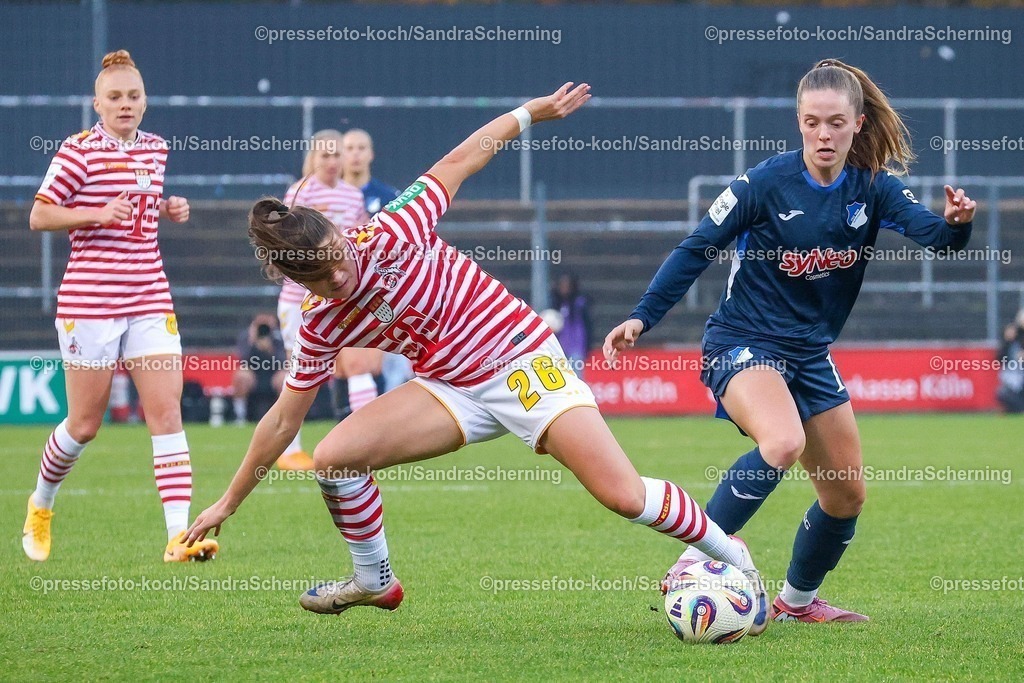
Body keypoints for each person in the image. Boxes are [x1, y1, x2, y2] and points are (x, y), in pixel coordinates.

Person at [184, 83, 769, 633]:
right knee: (334, 457)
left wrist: (529, 114)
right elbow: (284, 419)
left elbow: (462, 158)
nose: (342, 274)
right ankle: (373, 580)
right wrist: (227, 502)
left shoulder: (392, 230)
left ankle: (732, 554)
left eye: (337, 255)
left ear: (340, 232)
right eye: (324, 276)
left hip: (519, 359)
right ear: (297, 281)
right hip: (450, 387)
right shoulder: (320, 319)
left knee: (622, 495)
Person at [605, 59, 976, 623]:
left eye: (834, 123)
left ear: (856, 124)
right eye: (810, 122)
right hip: (743, 342)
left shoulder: (872, 187)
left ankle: (796, 604)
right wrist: (642, 317)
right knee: (781, 443)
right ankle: (694, 558)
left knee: (846, 497)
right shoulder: (762, 185)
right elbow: (695, 248)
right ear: (798, 123)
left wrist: (956, 224)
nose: (822, 135)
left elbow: (939, 239)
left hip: (808, 355)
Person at [22, 50, 220, 563]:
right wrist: (98, 213)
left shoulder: (156, 150)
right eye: (115, 97)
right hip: (91, 300)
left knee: (166, 412)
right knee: (85, 424)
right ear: (97, 103)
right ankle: (41, 504)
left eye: (133, 96)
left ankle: (179, 536)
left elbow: (142, 211)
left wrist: (170, 207)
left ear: (145, 100)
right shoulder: (77, 151)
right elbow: (40, 217)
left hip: (149, 296)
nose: (125, 104)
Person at [275, 129, 370, 469]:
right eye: (324, 155)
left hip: (339, 296)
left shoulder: (352, 195)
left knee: (356, 364)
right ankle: (289, 450)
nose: (331, 162)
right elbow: (283, 243)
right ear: (313, 159)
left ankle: (365, 441)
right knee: (300, 369)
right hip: (299, 298)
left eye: (336, 155)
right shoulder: (299, 192)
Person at [338, 128, 411, 400]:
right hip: (338, 291)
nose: (355, 154)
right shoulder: (329, 196)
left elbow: (404, 245)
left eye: (360, 148)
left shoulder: (389, 197)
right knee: (342, 366)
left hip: (378, 291)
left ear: (371, 154)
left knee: (381, 366)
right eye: (349, 148)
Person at [231, 313, 288, 424]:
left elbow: (284, 360)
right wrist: (253, 342)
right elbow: (243, 359)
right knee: (241, 376)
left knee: (285, 378)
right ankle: (240, 416)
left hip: (274, 373)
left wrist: (271, 349)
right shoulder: (247, 337)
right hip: (254, 374)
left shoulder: (279, 337)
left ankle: (283, 417)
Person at [550, 273, 591, 377]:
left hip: (576, 347)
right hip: (560, 348)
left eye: (567, 286)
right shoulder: (556, 304)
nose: (564, 289)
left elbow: (587, 325)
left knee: (576, 377)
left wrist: (587, 346)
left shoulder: (579, 303)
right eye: (562, 286)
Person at [997, 309, 1024, 414]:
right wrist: (1007, 340)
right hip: (1013, 381)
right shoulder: (1008, 344)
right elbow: (1000, 358)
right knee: (1003, 394)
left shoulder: (1020, 341)